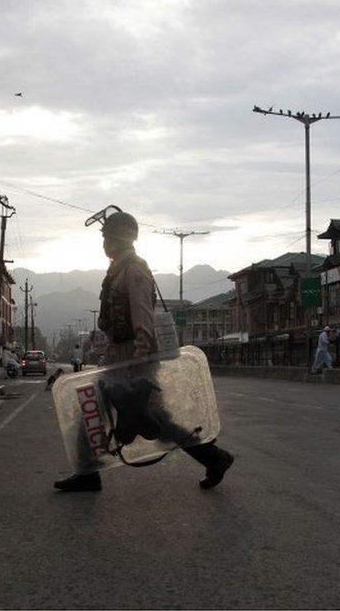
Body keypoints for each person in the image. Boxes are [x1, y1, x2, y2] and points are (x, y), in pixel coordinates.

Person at [54, 206, 235, 492]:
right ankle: (88, 472)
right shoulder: (118, 268)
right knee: (93, 409)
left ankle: (215, 457)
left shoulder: (134, 270)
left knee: (154, 420)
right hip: (119, 355)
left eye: (108, 237)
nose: (104, 243)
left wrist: (138, 360)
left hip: (132, 357)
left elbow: (142, 317)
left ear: (120, 239)